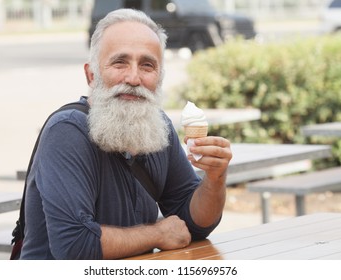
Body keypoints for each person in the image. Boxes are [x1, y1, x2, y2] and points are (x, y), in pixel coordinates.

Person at [20, 8, 232, 260]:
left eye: (147, 65)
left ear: (159, 78)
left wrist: (215, 179)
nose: (133, 78)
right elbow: (74, 246)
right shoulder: (67, 131)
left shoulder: (157, 125)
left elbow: (195, 224)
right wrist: (157, 234)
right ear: (91, 74)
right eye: (120, 62)